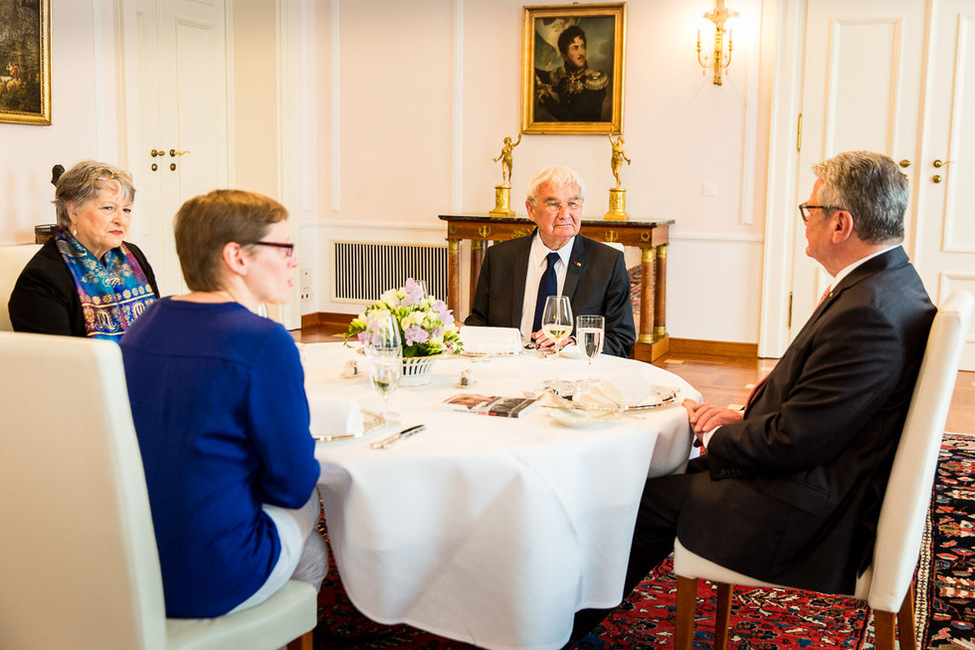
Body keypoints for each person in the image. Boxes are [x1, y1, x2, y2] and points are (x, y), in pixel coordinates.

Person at [571, 151, 937, 638]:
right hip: (821, 476)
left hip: (803, 514)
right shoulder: (893, 285)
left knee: (635, 499)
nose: (804, 222)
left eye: (811, 211)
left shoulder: (868, 312)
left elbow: (794, 442)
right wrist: (740, 417)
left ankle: (563, 626)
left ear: (840, 224)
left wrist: (719, 434)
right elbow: (820, 412)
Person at [119, 189, 326, 618]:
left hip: (131, 566)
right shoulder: (264, 341)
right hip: (210, 576)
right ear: (237, 257)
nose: (295, 262)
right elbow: (292, 485)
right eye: (284, 248)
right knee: (314, 527)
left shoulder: (144, 323)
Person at [465, 165, 635, 357]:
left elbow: (621, 339)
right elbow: (479, 322)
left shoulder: (607, 263)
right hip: (509, 368)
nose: (565, 214)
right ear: (531, 210)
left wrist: (574, 344)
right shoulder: (499, 258)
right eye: (553, 204)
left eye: (573, 203)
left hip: (571, 372)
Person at [8, 160, 158, 340]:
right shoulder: (42, 279)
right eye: (108, 208)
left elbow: (160, 328)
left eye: (126, 210)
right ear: (73, 211)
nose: (121, 220)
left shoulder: (134, 257)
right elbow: (55, 363)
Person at [534, 25, 609, 122]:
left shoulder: (595, 82)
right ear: (564, 55)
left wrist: (545, 98)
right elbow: (536, 73)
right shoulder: (561, 76)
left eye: (583, 47)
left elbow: (574, 120)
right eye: (575, 48)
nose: (581, 53)